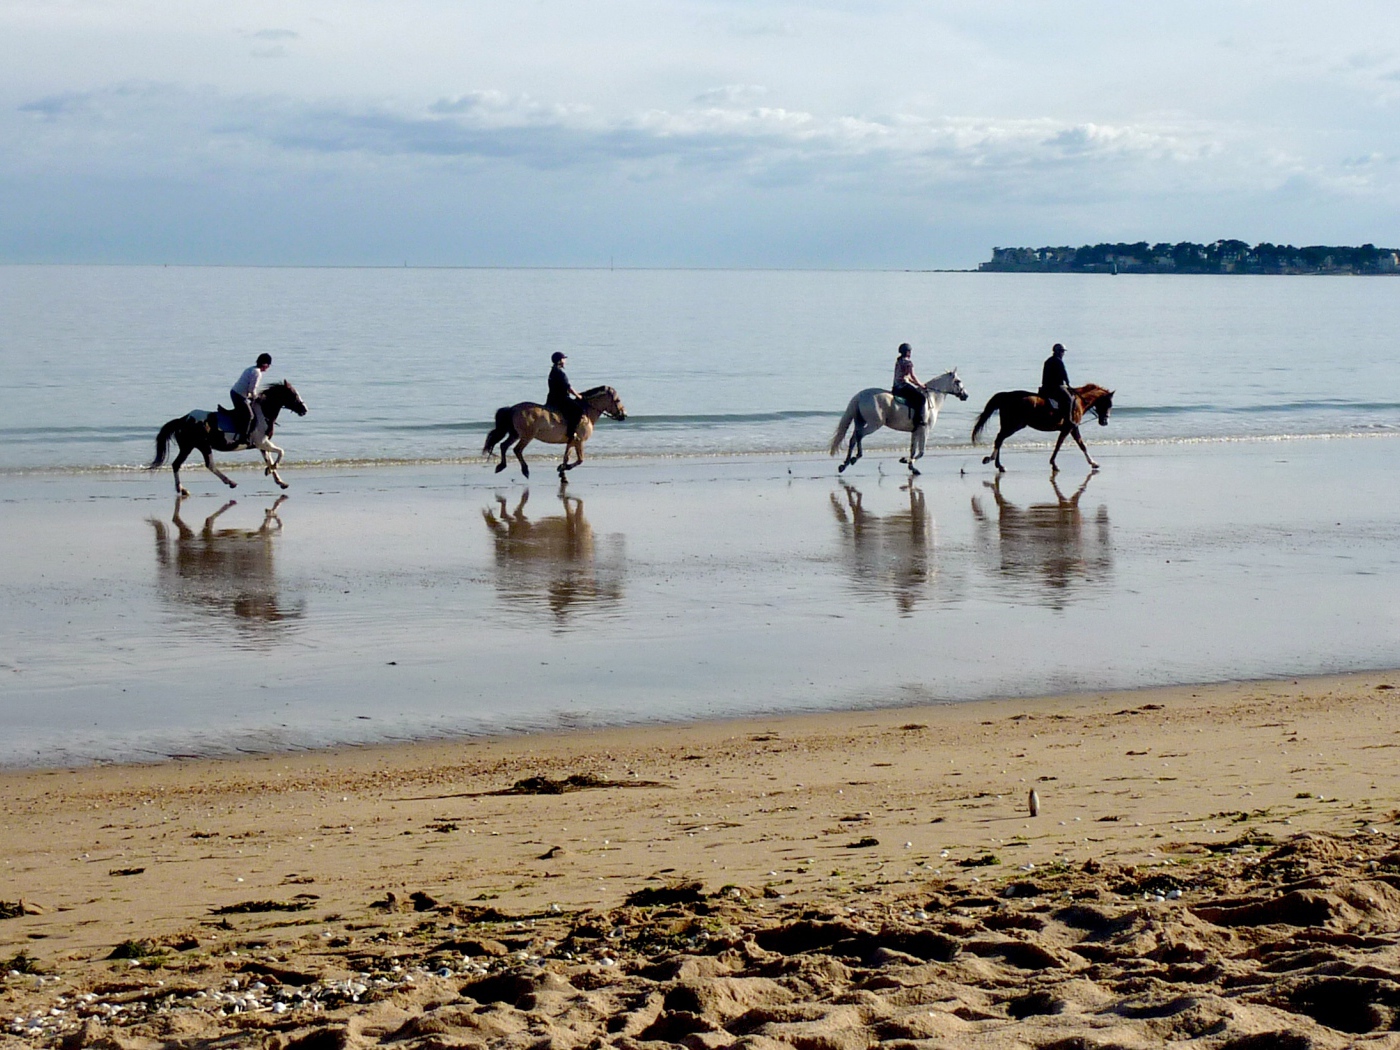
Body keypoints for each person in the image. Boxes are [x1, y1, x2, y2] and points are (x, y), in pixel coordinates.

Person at [231, 353, 272, 443]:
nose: (268, 367)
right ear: (265, 365)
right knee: (250, 415)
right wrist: (257, 398)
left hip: (237, 393)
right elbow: (252, 390)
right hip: (239, 395)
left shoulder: (251, 369)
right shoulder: (257, 373)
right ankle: (243, 438)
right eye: (268, 365)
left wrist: (254, 396)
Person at [546, 351, 585, 443]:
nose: (565, 361)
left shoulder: (553, 371)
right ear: (560, 361)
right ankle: (571, 432)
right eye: (563, 359)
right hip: (561, 399)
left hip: (552, 398)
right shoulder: (560, 373)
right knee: (579, 411)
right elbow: (568, 387)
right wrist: (578, 396)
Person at [891, 343, 928, 428]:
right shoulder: (908, 363)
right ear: (907, 352)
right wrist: (921, 385)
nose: (910, 353)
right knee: (921, 398)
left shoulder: (899, 361)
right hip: (903, 387)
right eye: (909, 351)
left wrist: (917, 384)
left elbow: (907, 377)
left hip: (895, 387)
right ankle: (919, 419)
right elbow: (913, 376)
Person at [1039, 342, 1075, 427]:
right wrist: (1068, 384)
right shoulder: (1058, 361)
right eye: (1062, 351)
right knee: (1069, 399)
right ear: (1058, 351)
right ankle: (1069, 420)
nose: (1063, 353)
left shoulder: (1048, 360)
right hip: (1054, 387)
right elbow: (1063, 374)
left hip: (1046, 386)